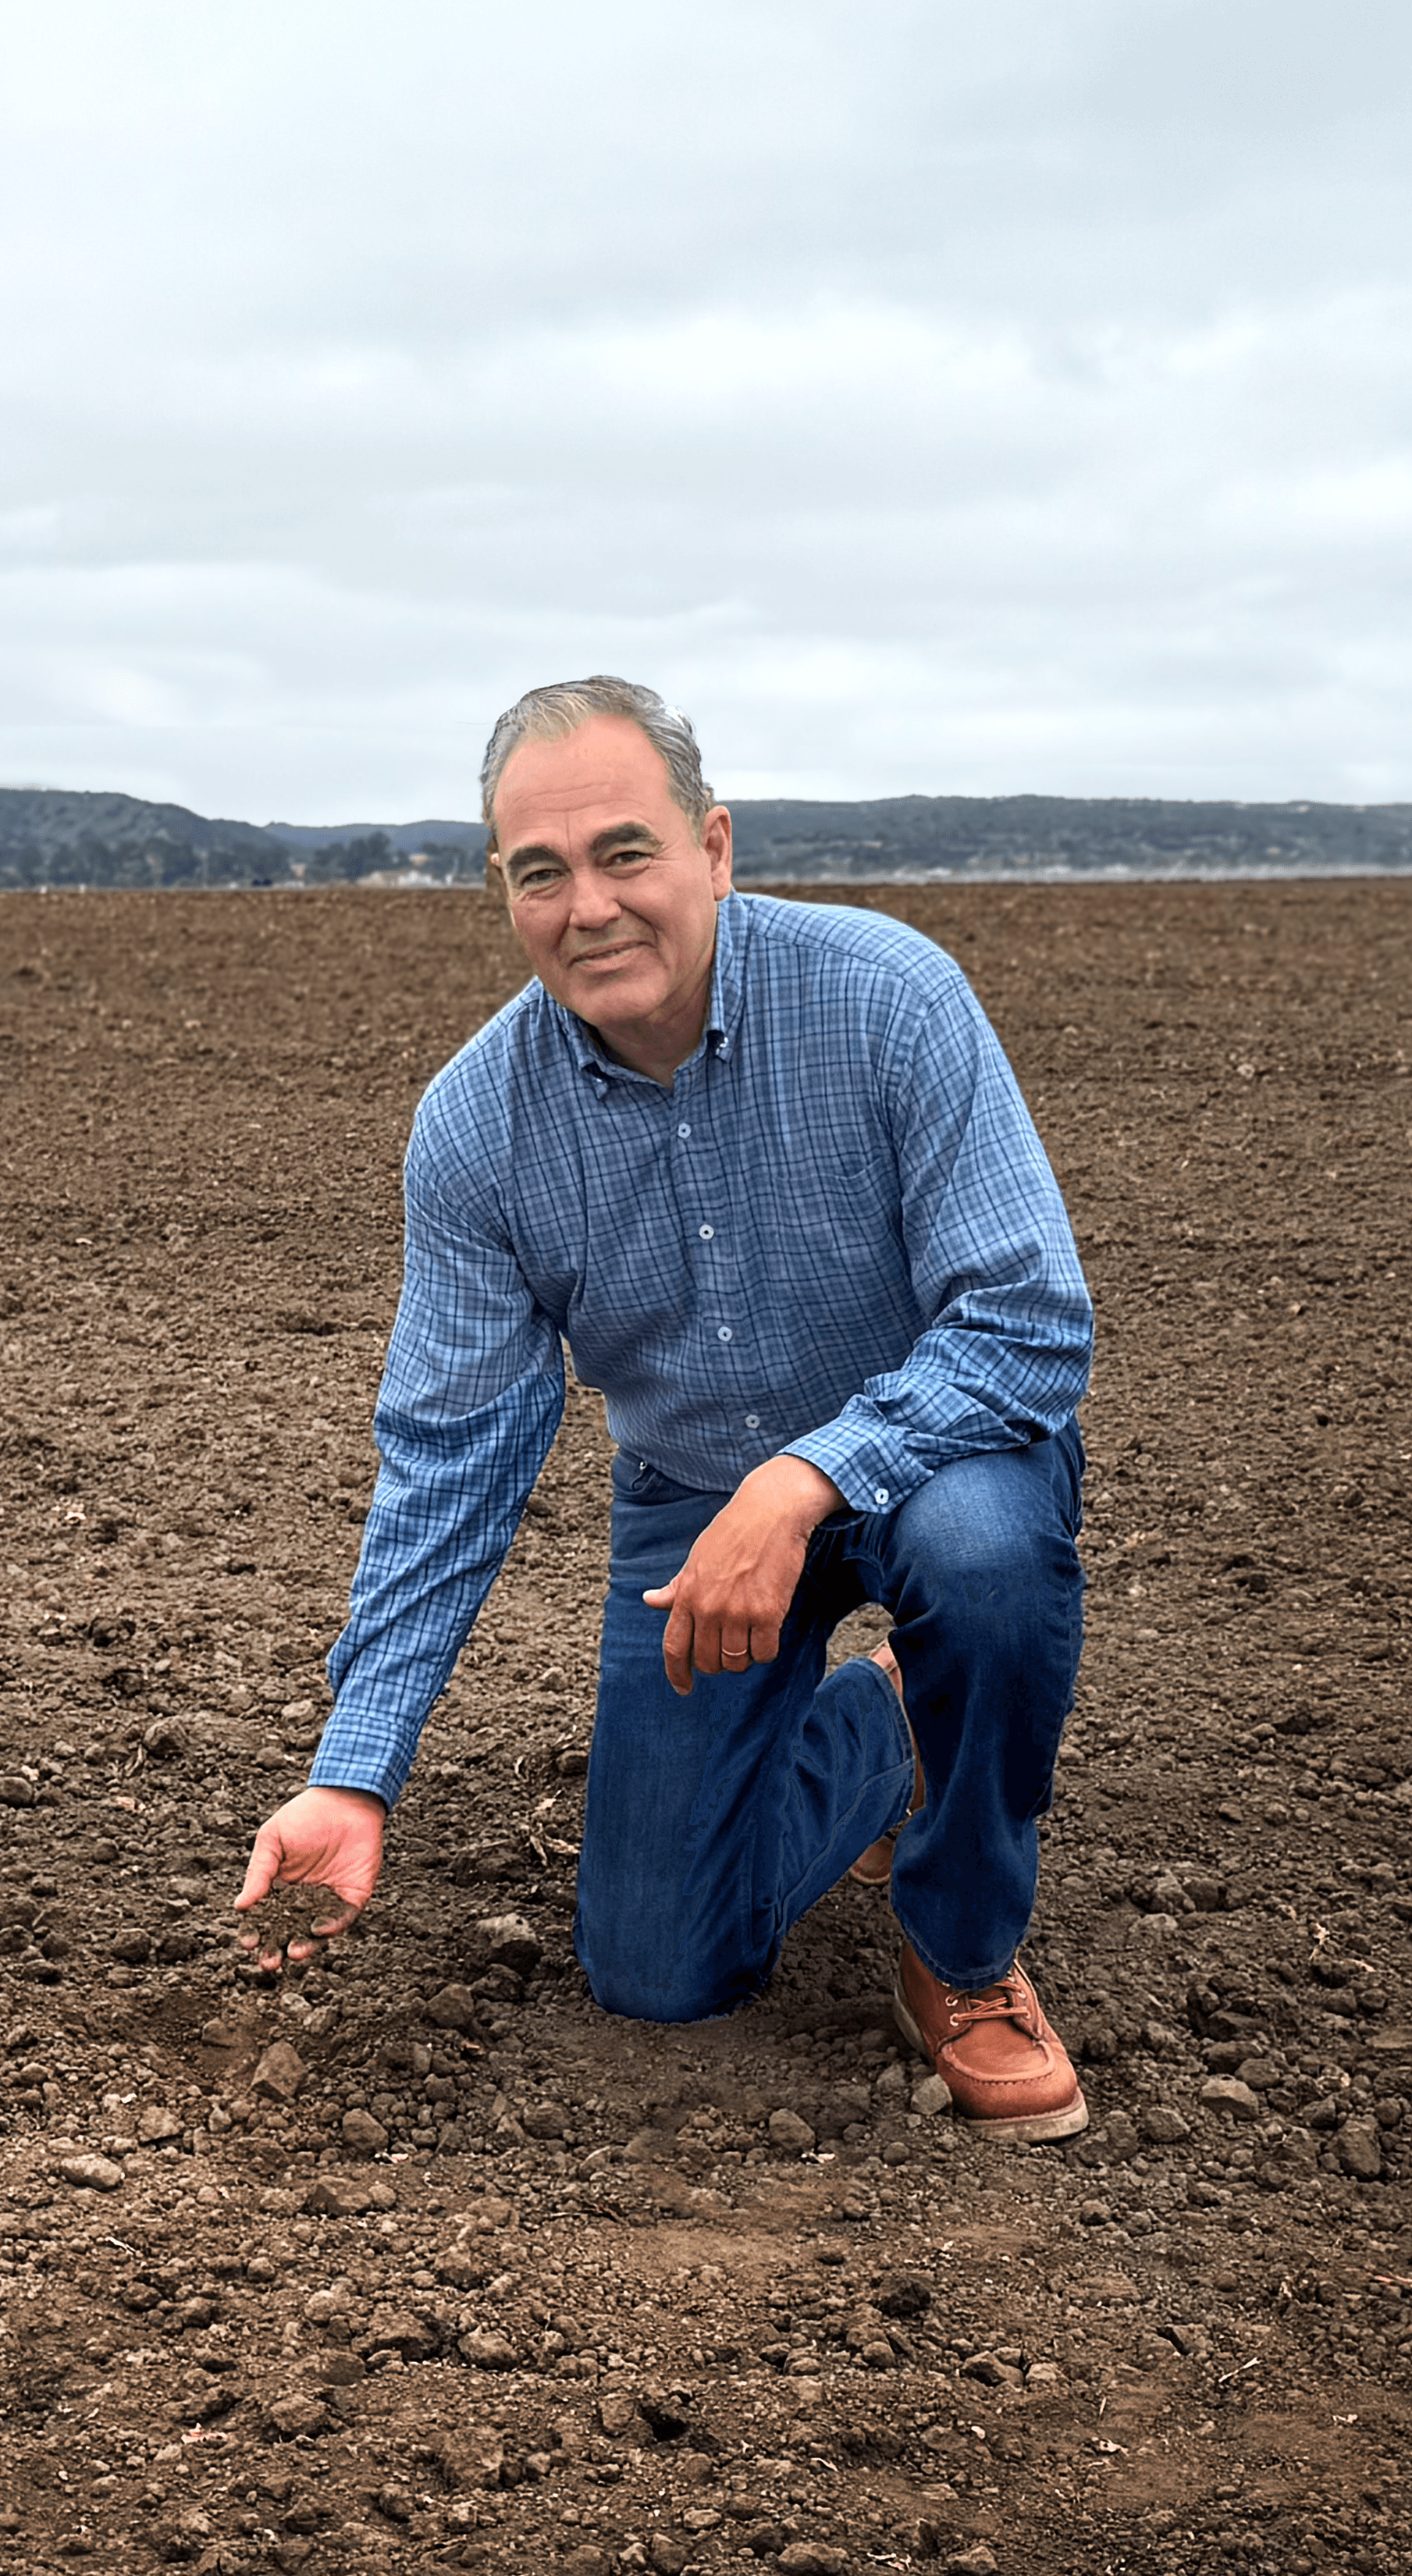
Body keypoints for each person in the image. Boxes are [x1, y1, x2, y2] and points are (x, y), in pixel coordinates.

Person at [237, 676, 1094, 2143]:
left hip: (937, 1458)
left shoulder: (889, 999)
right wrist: (355, 1775)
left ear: (714, 847)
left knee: (988, 1563)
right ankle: (888, 1724)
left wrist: (810, 1476)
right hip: (692, 1493)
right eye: (541, 871)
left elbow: (1026, 1321)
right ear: (499, 889)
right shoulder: (476, 1127)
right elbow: (451, 1458)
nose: (590, 906)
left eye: (625, 853)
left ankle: (961, 1950)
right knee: (657, 1972)